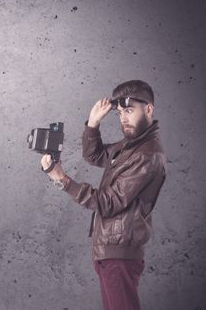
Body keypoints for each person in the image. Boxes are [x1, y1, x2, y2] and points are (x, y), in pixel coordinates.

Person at [40, 80, 167, 310]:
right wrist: (93, 124)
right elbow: (95, 156)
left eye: (129, 111)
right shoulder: (130, 147)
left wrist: (63, 180)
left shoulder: (147, 155)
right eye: (119, 113)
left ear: (148, 109)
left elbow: (108, 202)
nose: (123, 119)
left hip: (119, 254)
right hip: (110, 252)